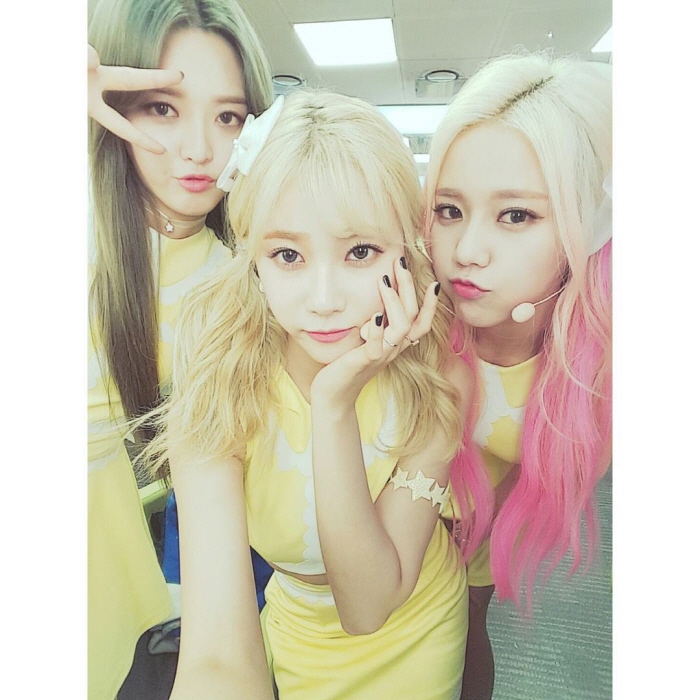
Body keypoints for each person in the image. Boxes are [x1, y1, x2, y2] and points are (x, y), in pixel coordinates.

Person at [143, 89, 491, 700]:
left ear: (406, 250)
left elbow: (368, 604)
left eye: (361, 252)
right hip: (297, 625)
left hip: (417, 627)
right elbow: (215, 653)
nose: (324, 299)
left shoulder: (439, 375)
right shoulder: (219, 368)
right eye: (287, 255)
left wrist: (333, 406)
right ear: (254, 258)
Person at [87, 1, 273, 697]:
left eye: (228, 117)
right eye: (162, 108)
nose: (199, 149)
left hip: (100, 561)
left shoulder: (237, 282)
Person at [423, 53, 612, 700]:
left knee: (479, 639)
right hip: (406, 535)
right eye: (449, 210)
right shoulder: (413, 329)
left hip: (497, 543)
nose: (466, 251)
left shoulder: (604, 364)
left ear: (586, 225)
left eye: (516, 216)